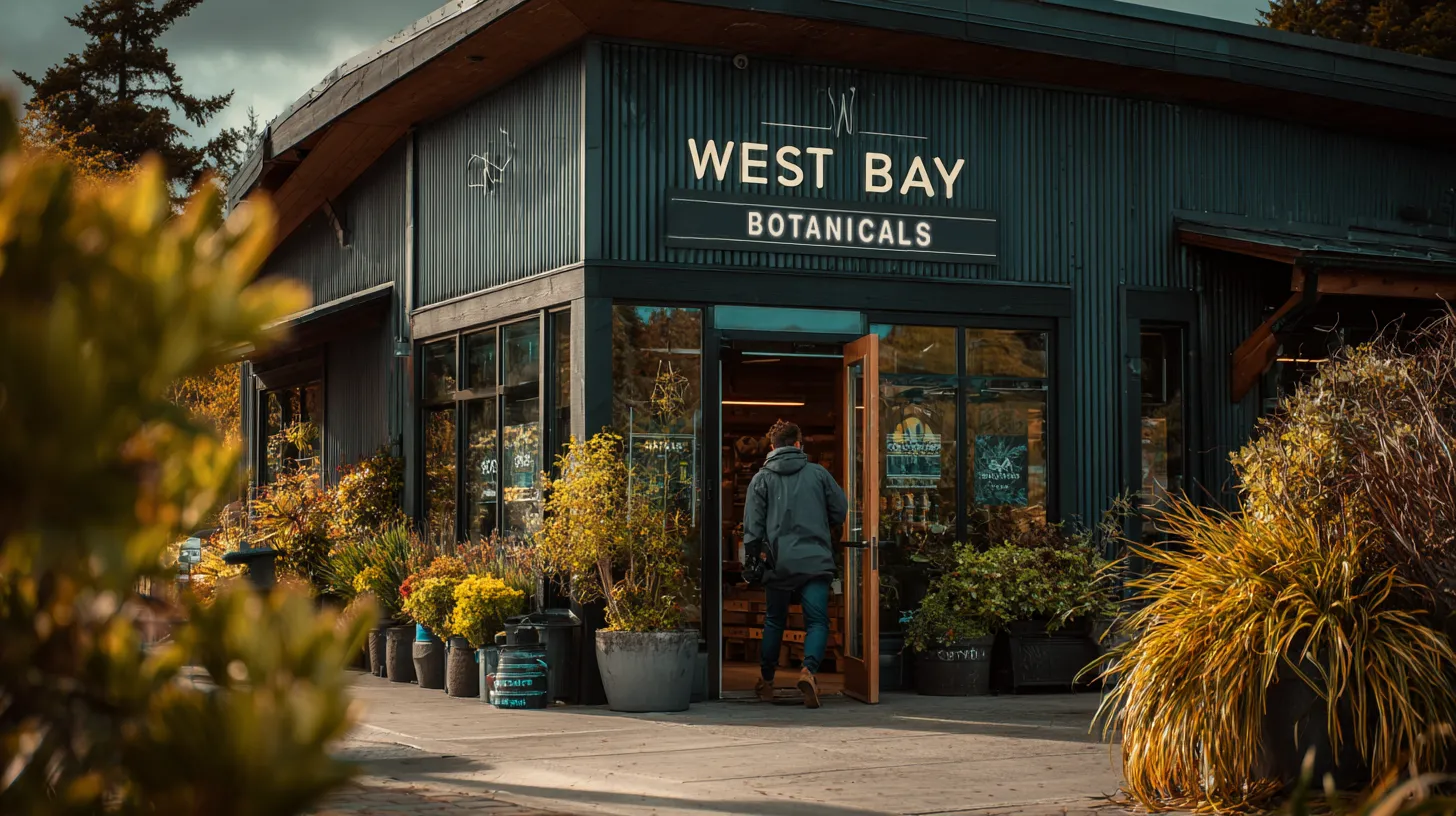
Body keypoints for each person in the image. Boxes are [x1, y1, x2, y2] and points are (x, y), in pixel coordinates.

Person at [742, 420, 848, 708]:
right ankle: (808, 671)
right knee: (816, 621)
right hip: (815, 560)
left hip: (778, 563)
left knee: (774, 621)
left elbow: (752, 527)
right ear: (799, 444)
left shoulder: (761, 479)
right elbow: (840, 510)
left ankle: (766, 680)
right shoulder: (819, 474)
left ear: (773, 447)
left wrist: (752, 558)